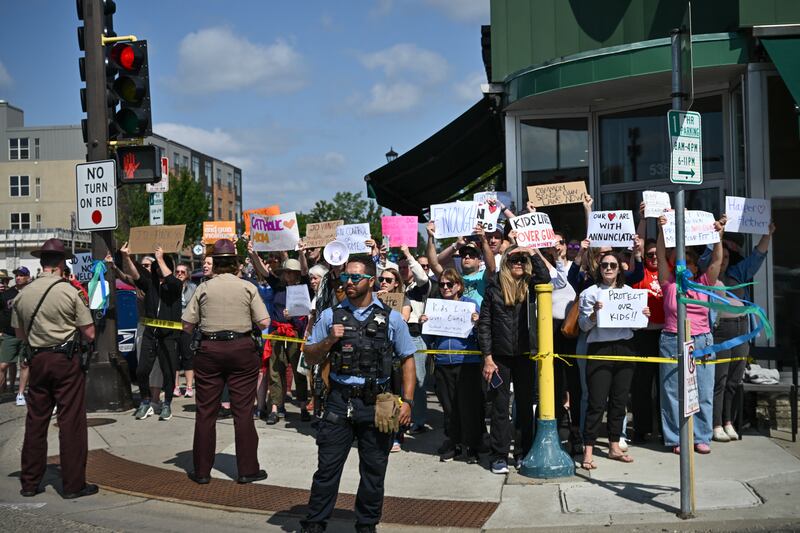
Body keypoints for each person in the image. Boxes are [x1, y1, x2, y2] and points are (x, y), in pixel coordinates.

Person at [300, 256, 416, 533]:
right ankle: (315, 522)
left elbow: (408, 360)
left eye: (355, 278)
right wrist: (329, 340)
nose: (348, 282)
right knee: (327, 469)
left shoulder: (392, 319)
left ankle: (366, 524)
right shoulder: (330, 316)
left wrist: (408, 402)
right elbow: (310, 355)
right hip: (340, 400)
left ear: (371, 281)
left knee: (374, 471)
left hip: (379, 402)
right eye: (344, 277)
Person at [12, 239, 97, 498]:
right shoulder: (70, 292)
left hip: (37, 360)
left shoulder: (23, 293)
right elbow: (90, 333)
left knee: (36, 421)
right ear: (61, 263)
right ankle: (73, 485)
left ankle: (29, 483)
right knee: (70, 421)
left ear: (41, 262)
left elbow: (19, 334)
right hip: (65, 360)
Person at [182, 239, 271, 484]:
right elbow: (264, 323)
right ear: (234, 263)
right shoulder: (247, 287)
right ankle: (247, 470)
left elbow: (187, 324)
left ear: (215, 264)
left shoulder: (203, 288)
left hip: (209, 350)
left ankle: (201, 471)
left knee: (205, 412)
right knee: (242, 412)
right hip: (242, 349)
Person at [656, 213, 725, 454]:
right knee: (673, 392)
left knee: (704, 390)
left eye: (688, 262)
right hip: (672, 339)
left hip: (702, 340)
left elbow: (717, 259)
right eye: (678, 262)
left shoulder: (705, 282)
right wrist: (662, 231)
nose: (683, 265)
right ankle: (676, 438)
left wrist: (717, 235)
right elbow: (660, 257)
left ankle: (701, 436)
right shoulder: (669, 284)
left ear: (695, 266)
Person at [478, 245, 550, 474]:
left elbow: (546, 277)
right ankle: (499, 455)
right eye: (513, 260)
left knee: (525, 405)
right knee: (500, 407)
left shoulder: (530, 285)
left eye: (521, 260)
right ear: (505, 264)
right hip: (499, 357)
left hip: (526, 354)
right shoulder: (494, 288)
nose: (518, 263)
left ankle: (523, 452)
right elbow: (485, 325)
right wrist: (488, 358)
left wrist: (530, 252)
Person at [578, 252, 650, 469]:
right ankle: (588, 450)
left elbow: (636, 327)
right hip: (600, 348)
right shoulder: (590, 293)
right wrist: (593, 315)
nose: (608, 268)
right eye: (604, 265)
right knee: (597, 402)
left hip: (625, 348)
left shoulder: (629, 292)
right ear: (599, 269)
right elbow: (583, 326)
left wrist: (643, 315)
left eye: (612, 265)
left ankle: (614, 446)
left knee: (619, 401)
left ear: (620, 268)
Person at [712, 224, 775, 442]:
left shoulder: (738, 273)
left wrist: (767, 234)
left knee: (733, 381)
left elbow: (758, 255)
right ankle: (716, 424)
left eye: (728, 256)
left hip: (741, 330)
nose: (725, 259)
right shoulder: (707, 279)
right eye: (722, 254)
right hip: (719, 333)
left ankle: (729, 421)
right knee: (719, 381)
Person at [420, 267, 484, 463]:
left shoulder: (470, 304)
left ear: (459, 286)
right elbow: (429, 338)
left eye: (450, 284)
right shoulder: (435, 306)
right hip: (442, 362)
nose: (445, 288)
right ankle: (454, 443)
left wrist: (477, 322)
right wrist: (425, 323)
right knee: (449, 407)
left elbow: (480, 335)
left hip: (467, 362)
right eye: (442, 285)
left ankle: (471, 445)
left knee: (468, 406)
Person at [121, 243, 183, 422]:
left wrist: (161, 258)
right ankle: (145, 401)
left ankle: (167, 404)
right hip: (150, 333)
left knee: (168, 371)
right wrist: (126, 257)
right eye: (154, 267)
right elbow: (136, 274)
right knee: (142, 370)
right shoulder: (150, 284)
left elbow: (171, 280)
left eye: (159, 266)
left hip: (169, 335)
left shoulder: (175, 285)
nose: (156, 270)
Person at [397, 246, 435, 434]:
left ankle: (418, 420)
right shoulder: (396, 288)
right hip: (396, 336)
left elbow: (422, 276)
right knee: (398, 380)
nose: (404, 270)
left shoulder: (421, 288)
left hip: (415, 335)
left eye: (407, 267)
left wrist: (408, 255)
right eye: (401, 267)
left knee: (418, 381)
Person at [427, 221, 496, 308]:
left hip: (479, 318)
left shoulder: (484, 276)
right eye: (463, 254)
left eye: (471, 254)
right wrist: (430, 237)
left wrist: (484, 240)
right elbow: (434, 264)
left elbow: (491, 268)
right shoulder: (454, 277)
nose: (467, 256)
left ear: (479, 259)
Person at [1, 266, 33, 406]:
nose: (18, 277)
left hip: (27, 334)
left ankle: (20, 394)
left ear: (28, 277)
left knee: (24, 364)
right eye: (17, 275)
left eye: (21, 275)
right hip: (9, 333)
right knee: (3, 365)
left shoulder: (32, 292)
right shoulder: (7, 294)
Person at [174, 263, 197, 398]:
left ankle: (189, 387)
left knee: (188, 356)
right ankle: (175, 386)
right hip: (173, 325)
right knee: (174, 357)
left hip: (188, 326)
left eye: (183, 272)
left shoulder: (193, 288)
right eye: (177, 271)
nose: (180, 274)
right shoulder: (170, 287)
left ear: (187, 274)